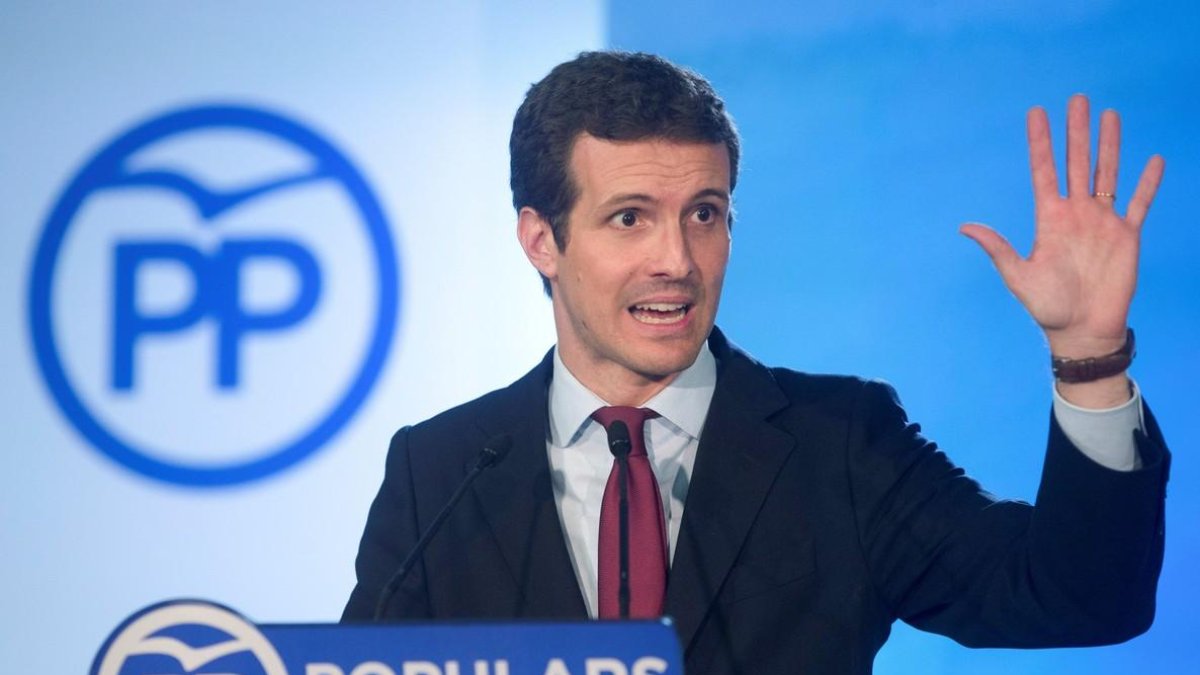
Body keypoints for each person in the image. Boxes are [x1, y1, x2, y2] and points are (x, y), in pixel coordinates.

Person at [342, 51, 1169, 674]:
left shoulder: (841, 444)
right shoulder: (441, 469)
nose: (677, 258)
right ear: (541, 240)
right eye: (630, 218)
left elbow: (1079, 597)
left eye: (704, 212)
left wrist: (1089, 356)